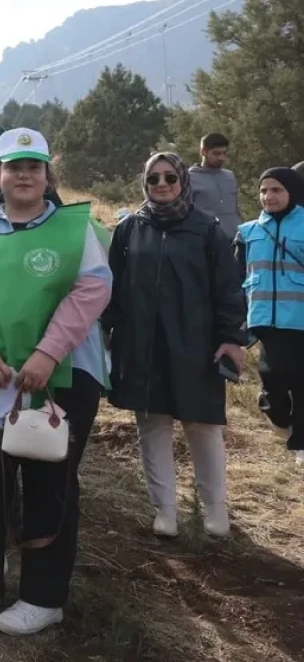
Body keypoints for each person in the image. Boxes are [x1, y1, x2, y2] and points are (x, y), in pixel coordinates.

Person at [0, 128, 110, 636]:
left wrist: (47, 353)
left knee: (48, 485)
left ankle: (44, 596)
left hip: (59, 378)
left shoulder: (77, 228)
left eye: (33, 166)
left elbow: (92, 291)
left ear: (46, 174)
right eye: (13, 167)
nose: (23, 175)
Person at [105, 153, 246, 538]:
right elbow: (113, 290)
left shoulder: (207, 230)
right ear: (144, 184)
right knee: (152, 425)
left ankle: (215, 510)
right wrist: (106, 336)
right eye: (153, 179)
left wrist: (232, 338)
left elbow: (228, 290)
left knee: (202, 426)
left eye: (170, 177)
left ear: (184, 180)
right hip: (142, 344)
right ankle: (165, 511)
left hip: (195, 343)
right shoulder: (129, 229)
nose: (162, 184)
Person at [236, 167, 304, 465]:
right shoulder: (247, 232)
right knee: (273, 382)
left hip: (300, 322)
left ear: (292, 193)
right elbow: (234, 280)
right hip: (265, 323)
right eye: (264, 190)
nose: (269, 196)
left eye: (277, 190)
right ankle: (280, 420)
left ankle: (301, 443)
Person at [188, 132, 241, 244]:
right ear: (203, 151)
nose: (221, 158)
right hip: (206, 242)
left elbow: (236, 209)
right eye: (216, 153)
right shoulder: (189, 177)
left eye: (224, 153)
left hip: (234, 240)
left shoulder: (230, 176)